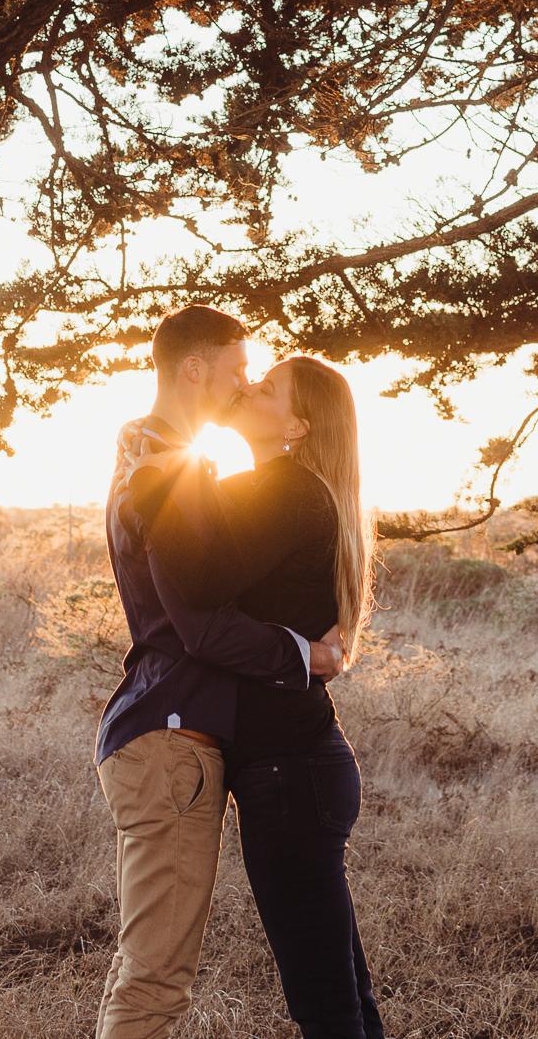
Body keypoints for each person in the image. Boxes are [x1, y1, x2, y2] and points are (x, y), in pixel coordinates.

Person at [94, 304, 345, 1039]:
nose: (244, 383)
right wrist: (306, 654)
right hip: (171, 733)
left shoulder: (158, 457)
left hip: (170, 734)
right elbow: (200, 623)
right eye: (238, 368)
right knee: (154, 979)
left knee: (151, 971)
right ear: (195, 369)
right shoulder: (165, 469)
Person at [157, 354, 382, 1039]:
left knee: (325, 1002)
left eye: (270, 387)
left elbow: (196, 583)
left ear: (297, 425)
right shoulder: (285, 487)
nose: (252, 387)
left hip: (289, 772)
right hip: (303, 766)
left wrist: (161, 479)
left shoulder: (286, 489)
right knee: (342, 990)